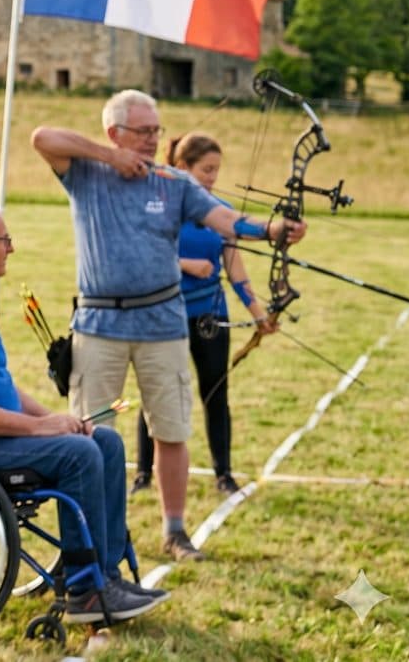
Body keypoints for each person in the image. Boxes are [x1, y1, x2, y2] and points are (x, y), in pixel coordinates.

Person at [31, 90, 304, 563]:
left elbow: (224, 218)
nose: (154, 139)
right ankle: (88, 538)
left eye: (158, 131)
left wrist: (273, 230)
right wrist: (109, 157)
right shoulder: (85, 173)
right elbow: (42, 137)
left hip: (163, 322)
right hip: (99, 323)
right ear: (115, 132)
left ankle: (175, 532)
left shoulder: (172, 181)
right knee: (88, 433)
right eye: (144, 132)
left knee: (171, 429)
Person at [0, 197, 168, 624]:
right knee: (79, 455)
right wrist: (41, 431)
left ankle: (106, 575)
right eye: (5, 239)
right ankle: (85, 591)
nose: (12, 248)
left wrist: (55, 421)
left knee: (105, 441)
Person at [131, 132, 274, 498]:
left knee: (216, 393)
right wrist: (184, 265)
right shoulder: (158, 208)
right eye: (206, 169)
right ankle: (144, 473)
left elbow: (234, 266)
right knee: (157, 394)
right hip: (166, 315)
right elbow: (142, 258)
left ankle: (224, 474)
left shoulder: (220, 212)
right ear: (183, 168)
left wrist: (259, 313)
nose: (212, 177)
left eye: (216, 170)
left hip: (211, 316)